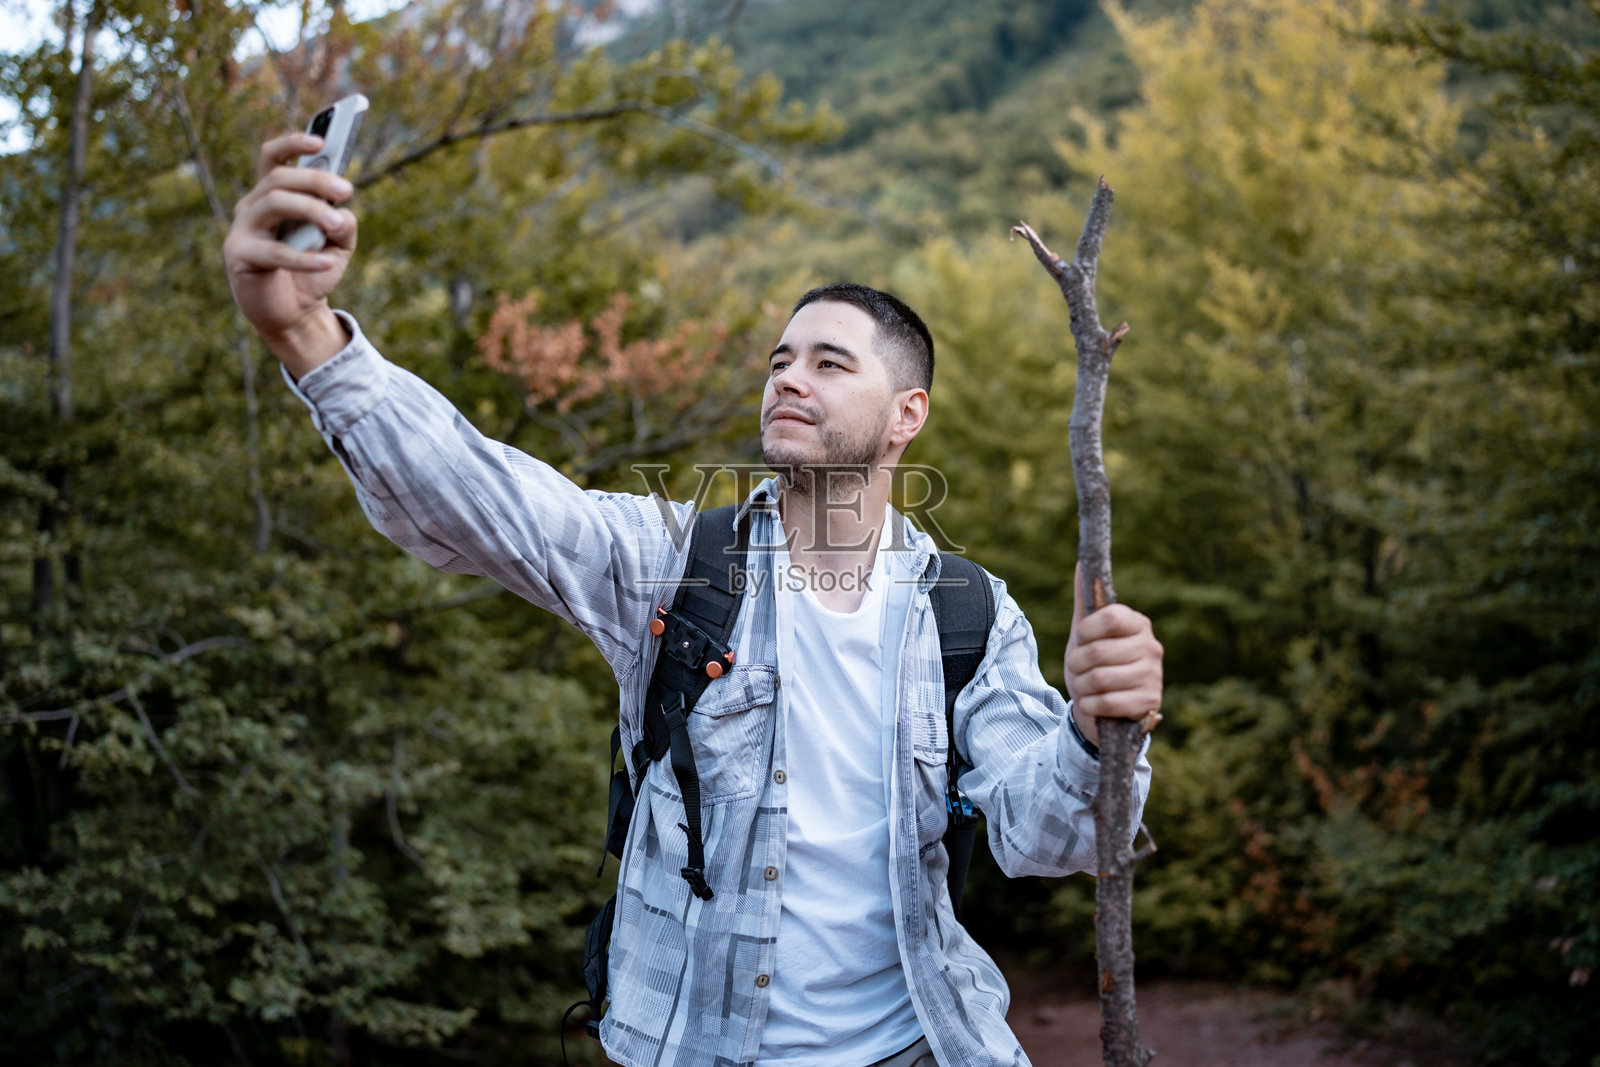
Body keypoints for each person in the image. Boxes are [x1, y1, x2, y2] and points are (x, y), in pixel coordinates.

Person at [223, 131, 1163, 1067]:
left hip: (924, 1046)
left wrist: (1094, 730)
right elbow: (487, 500)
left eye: (831, 363)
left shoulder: (968, 612)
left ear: (906, 416)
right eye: (779, 360)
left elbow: (1052, 836)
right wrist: (306, 337)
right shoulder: (674, 564)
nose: (789, 376)